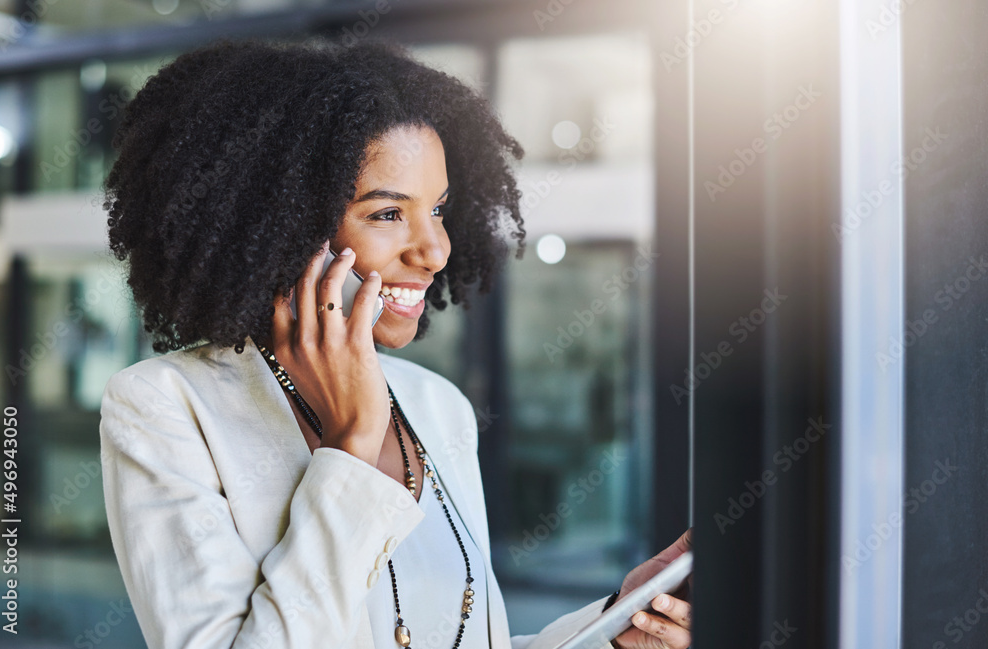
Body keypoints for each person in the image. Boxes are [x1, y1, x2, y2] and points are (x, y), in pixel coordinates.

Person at [99, 38, 692, 649]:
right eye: (386, 214)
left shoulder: (436, 404)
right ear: (280, 224)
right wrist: (353, 445)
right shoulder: (164, 407)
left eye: (438, 209)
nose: (434, 250)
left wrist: (617, 628)